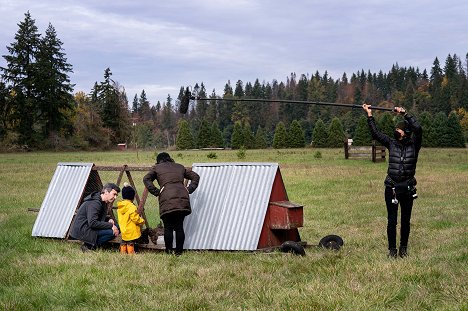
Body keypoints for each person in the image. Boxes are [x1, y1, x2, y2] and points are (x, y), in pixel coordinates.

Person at [362, 104, 422, 258]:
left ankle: (403, 249)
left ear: (406, 132)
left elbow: (418, 129)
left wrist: (405, 113)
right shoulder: (391, 143)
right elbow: (375, 133)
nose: (396, 131)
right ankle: (392, 251)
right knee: (391, 221)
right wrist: (369, 114)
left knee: (405, 221)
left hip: (408, 188)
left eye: (399, 129)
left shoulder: (414, 145)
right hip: (392, 187)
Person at [143, 152, 200, 256]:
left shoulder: (157, 168)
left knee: (168, 227)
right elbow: (195, 176)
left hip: (167, 199)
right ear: (170, 158)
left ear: (158, 160)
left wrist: (156, 191)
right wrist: (188, 189)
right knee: (179, 226)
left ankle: (169, 252)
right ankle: (179, 253)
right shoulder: (180, 167)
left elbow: (146, 179)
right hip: (182, 200)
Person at [70, 183, 120, 252]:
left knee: (118, 227)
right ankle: (89, 246)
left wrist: (109, 219)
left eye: (116, 195)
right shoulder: (95, 203)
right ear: (106, 192)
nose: (115, 197)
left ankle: (92, 244)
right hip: (83, 229)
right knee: (112, 232)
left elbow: (97, 217)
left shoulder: (103, 202)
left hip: (88, 227)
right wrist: (111, 225)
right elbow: (93, 223)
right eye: (114, 194)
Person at [117, 183, 146, 254]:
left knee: (124, 241)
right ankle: (131, 254)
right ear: (132, 196)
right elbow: (135, 218)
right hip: (131, 230)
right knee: (130, 242)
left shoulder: (120, 206)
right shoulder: (131, 207)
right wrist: (142, 221)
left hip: (124, 230)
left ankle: (123, 253)